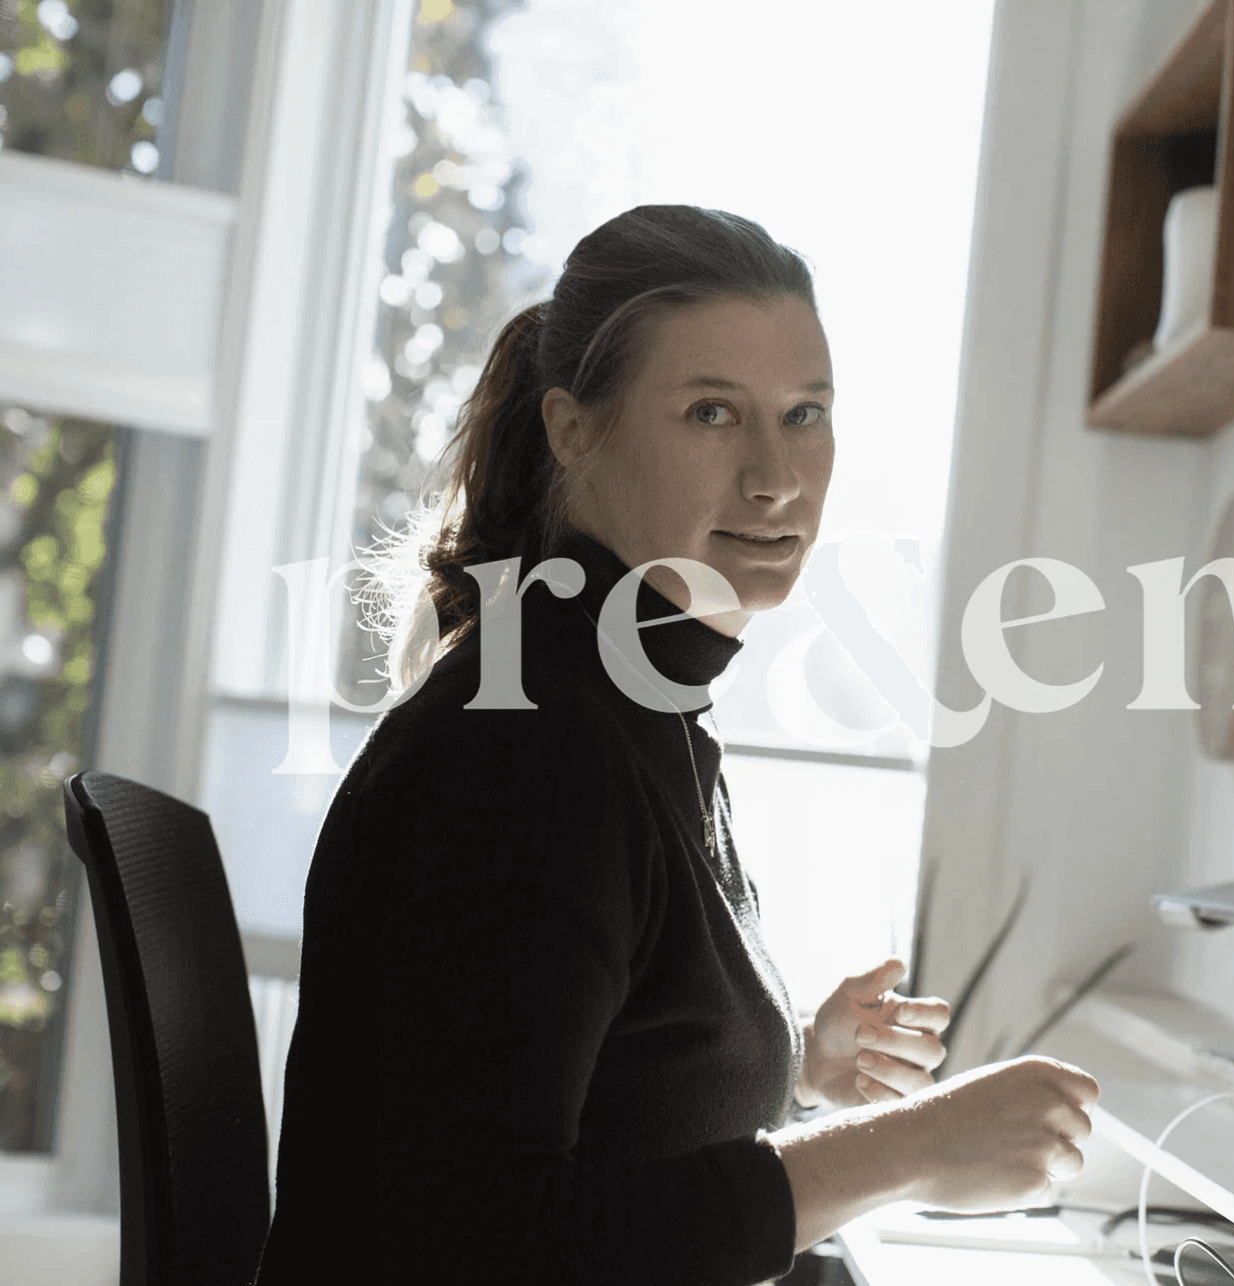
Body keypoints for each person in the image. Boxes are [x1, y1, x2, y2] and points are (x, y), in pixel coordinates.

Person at [253, 205, 1098, 1285]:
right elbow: (476, 1237)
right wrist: (908, 1150)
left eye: (804, 413)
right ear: (572, 430)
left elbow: (579, 1077)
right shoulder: (530, 750)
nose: (774, 476)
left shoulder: (617, 703)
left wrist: (782, 1056)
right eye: (711, 412)